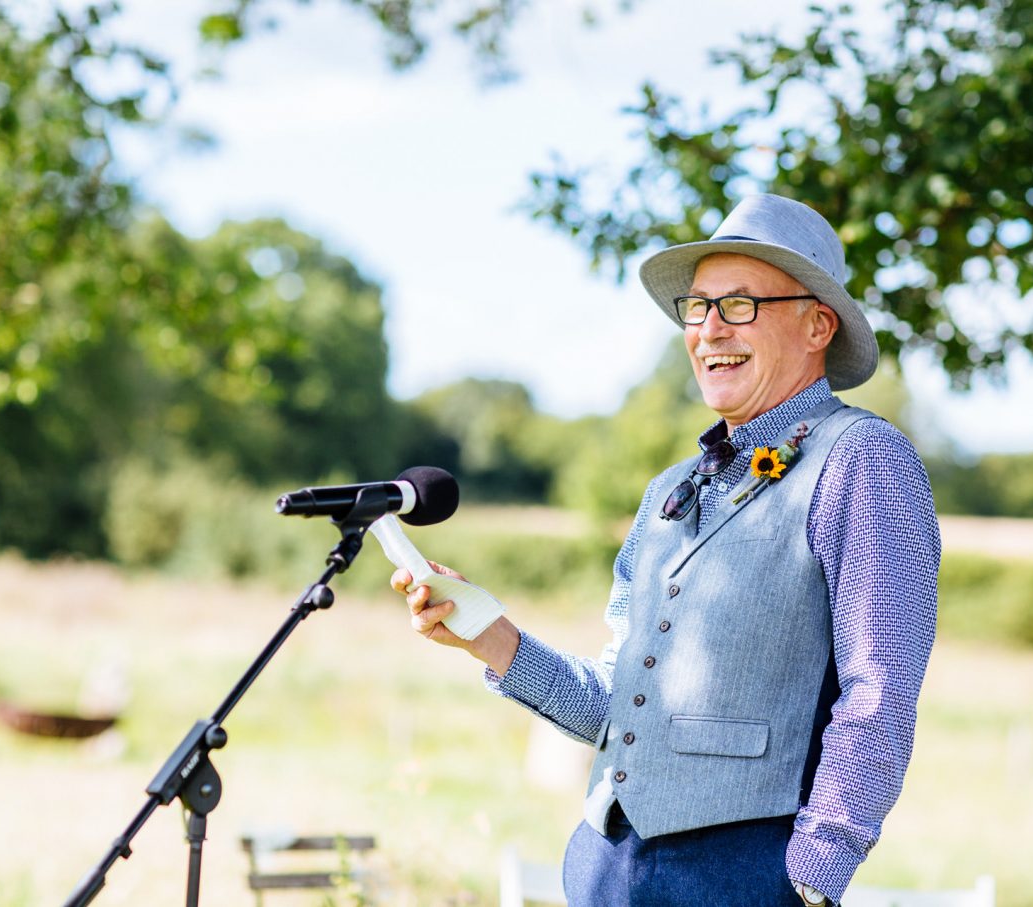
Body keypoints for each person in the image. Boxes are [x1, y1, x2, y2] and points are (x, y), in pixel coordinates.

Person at [392, 193, 939, 906]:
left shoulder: (864, 459)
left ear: (817, 325)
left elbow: (881, 686)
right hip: (604, 864)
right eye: (698, 306)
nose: (709, 329)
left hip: (745, 873)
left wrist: (813, 876)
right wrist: (488, 636)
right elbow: (616, 705)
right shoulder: (667, 490)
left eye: (739, 304)